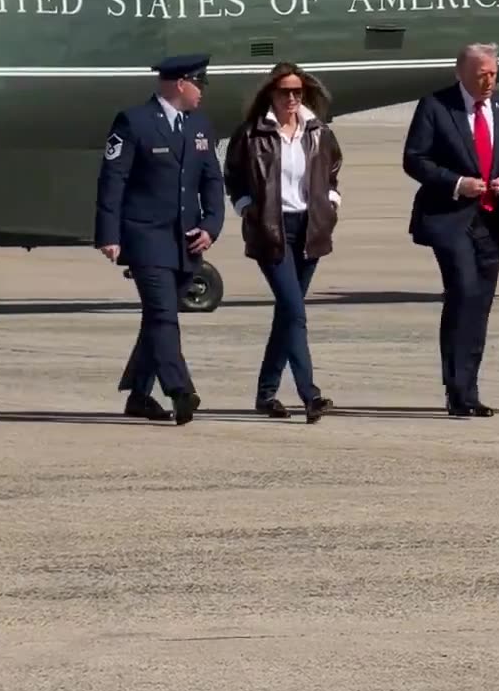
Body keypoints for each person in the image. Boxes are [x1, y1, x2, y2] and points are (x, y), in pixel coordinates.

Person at [402, 42, 499, 417]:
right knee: (463, 289)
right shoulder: (436, 106)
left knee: (479, 303)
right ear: (462, 72)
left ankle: (468, 389)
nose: (489, 80)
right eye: (482, 74)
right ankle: (457, 389)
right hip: (449, 217)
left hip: (493, 218)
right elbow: (414, 159)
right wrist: (456, 182)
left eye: (494, 73)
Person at [95, 53, 224, 426]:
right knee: (164, 314)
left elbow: (212, 180)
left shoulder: (199, 125)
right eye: (198, 83)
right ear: (180, 83)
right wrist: (109, 234)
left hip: (186, 239)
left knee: (156, 317)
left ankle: (139, 395)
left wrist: (211, 226)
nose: (202, 91)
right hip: (145, 235)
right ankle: (180, 389)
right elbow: (112, 179)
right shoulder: (134, 122)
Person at [224, 62, 341, 424]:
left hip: (310, 228)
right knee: (294, 311)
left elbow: (332, 168)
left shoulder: (317, 131)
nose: (292, 98)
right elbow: (234, 175)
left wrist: (331, 201)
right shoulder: (251, 134)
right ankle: (310, 395)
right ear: (270, 94)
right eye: (285, 91)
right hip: (271, 229)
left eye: (297, 92)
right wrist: (246, 208)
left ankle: (266, 393)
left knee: (287, 314)